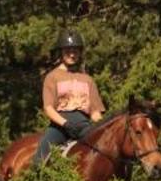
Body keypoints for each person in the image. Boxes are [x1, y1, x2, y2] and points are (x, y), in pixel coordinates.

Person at [30, 31, 107, 166]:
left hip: (84, 125)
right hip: (59, 126)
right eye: (68, 50)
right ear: (61, 52)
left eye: (75, 51)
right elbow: (48, 108)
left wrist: (102, 127)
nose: (72, 54)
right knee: (41, 156)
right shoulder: (52, 77)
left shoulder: (88, 80)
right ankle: (35, 180)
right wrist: (65, 124)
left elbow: (95, 112)